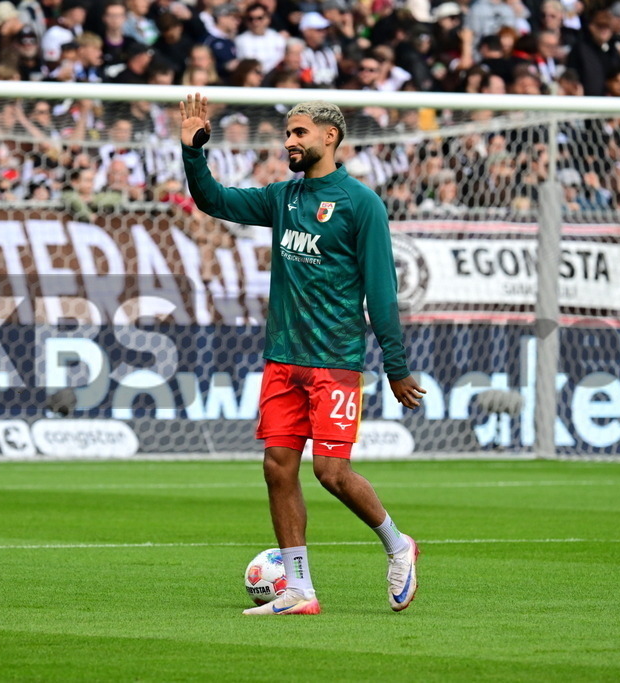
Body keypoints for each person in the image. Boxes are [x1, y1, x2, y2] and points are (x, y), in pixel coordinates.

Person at [179, 93, 425, 616]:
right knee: (277, 467)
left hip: (334, 360)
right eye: (287, 133)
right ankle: (298, 590)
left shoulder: (361, 204)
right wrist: (194, 152)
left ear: (329, 137)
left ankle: (398, 544)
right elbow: (214, 200)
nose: (289, 141)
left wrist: (396, 367)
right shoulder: (282, 197)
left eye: (299, 133)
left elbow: (381, 292)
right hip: (282, 358)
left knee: (331, 472)